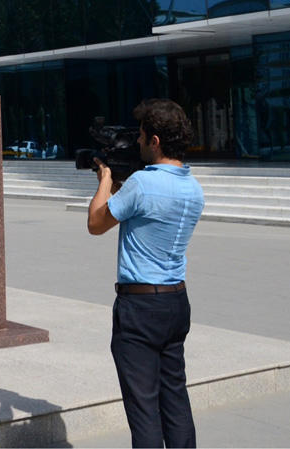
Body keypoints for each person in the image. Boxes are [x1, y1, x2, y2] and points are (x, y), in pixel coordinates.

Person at [88, 99, 206, 448]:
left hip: (140, 309)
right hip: (175, 303)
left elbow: (96, 223)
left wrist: (105, 181)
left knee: (143, 408)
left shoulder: (141, 183)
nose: (137, 143)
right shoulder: (193, 188)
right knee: (175, 400)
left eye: (141, 137)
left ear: (155, 141)